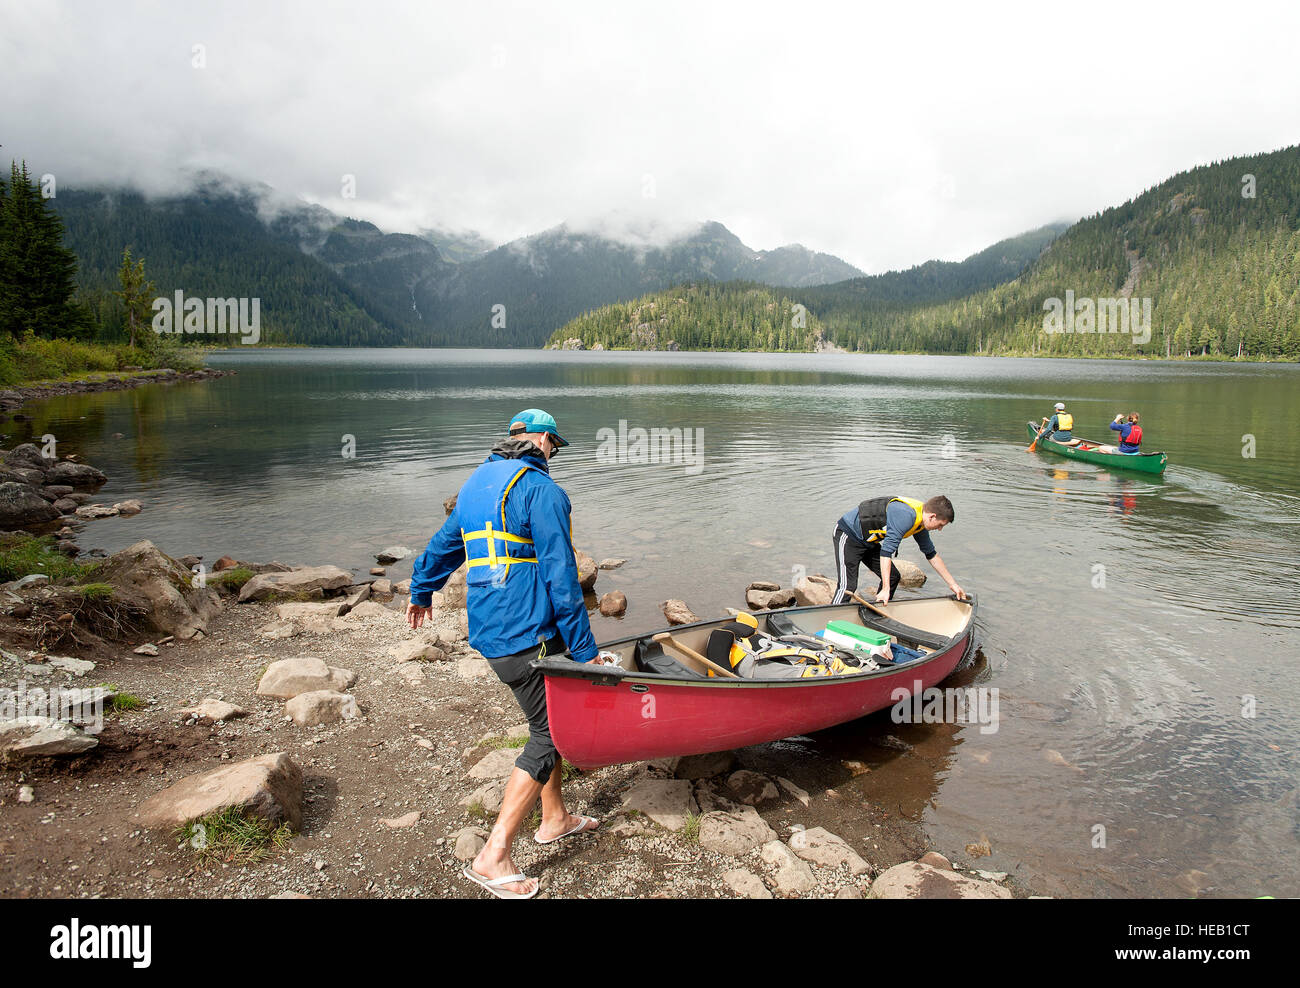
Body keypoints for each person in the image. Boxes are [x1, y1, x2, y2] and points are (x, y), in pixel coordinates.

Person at [406, 408, 602, 899]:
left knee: (548, 717)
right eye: (553, 443)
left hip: (492, 630)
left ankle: (554, 818)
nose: (555, 452)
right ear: (537, 440)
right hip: (529, 634)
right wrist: (585, 651)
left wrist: (421, 589)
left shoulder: (476, 484)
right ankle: (493, 855)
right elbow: (562, 578)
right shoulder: (543, 491)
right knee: (550, 732)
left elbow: (445, 544)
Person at [830, 495, 967, 606]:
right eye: (940, 524)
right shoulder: (906, 516)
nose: (940, 529)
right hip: (848, 535)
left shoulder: (921, 523)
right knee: (848, 586)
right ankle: (828, 622)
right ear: (932, 516)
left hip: (868, 542)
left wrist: (953, 584)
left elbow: (932, 555)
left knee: (893, 577)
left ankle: (874, 612)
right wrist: (885, 589)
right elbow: (886, 553)